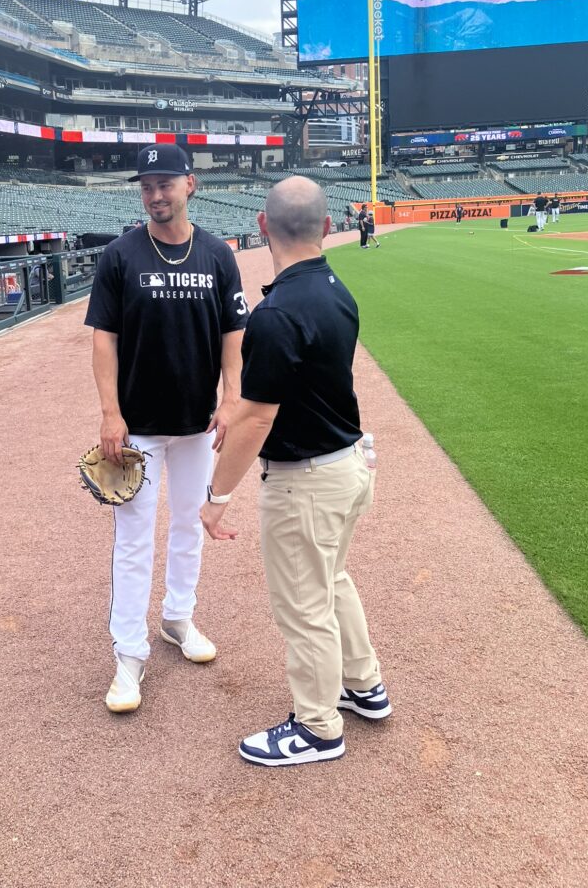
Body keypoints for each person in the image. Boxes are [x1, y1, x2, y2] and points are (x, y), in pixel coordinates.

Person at [200, 176, 391, 767]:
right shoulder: (335, 288)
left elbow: (255, 418)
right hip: (348, 464)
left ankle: (317, 726)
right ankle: (363, 685)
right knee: (332, 581)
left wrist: (217, 496)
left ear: (262, 226)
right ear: (330, 228)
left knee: (304, 603)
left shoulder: (278, 311)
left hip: (307, 478)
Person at [84, 142, 249, 713]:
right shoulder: (120, 255)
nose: (156, 194)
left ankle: (178, 617)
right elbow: (104, 336)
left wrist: (232, 398)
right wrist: (110, 412)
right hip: (139, 424)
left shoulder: (218, 254)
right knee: (133, 539)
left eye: (166, 182)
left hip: (199, 421)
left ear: (189, 184)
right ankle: (128, 654)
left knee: (189, 524)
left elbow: (233, 331)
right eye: (147, 185)